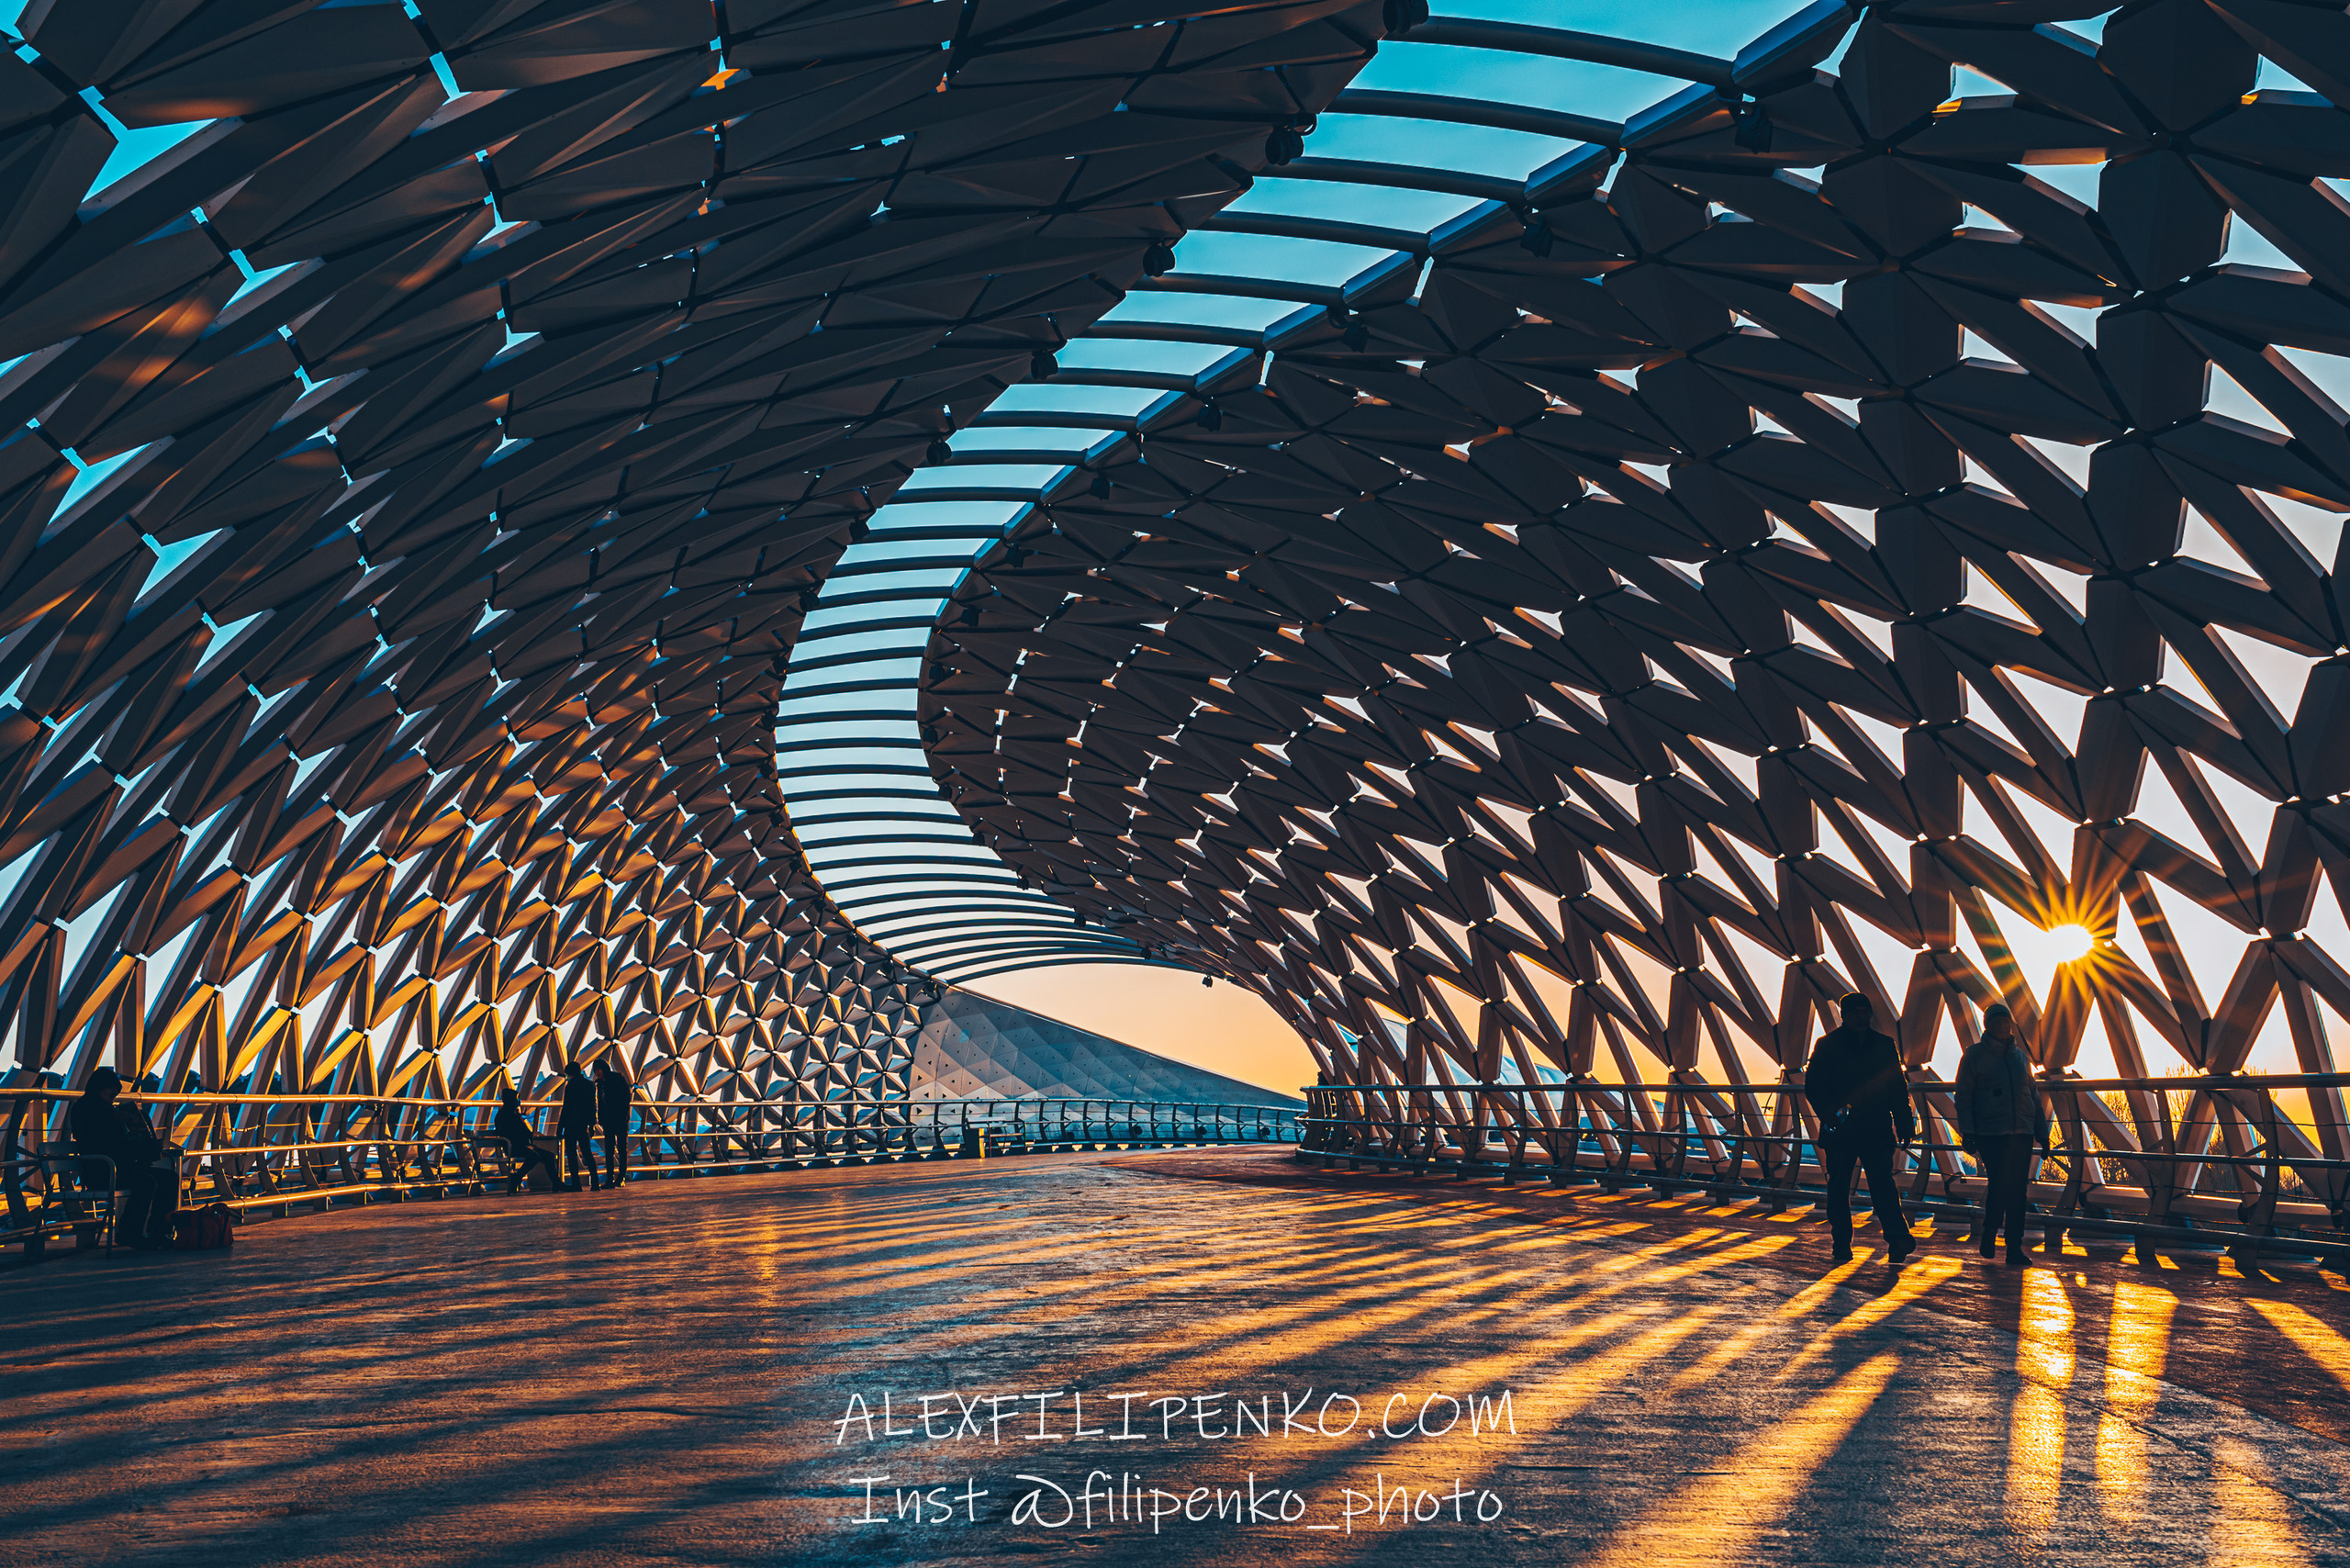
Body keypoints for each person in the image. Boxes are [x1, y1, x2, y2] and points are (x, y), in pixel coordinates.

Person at [1804, 992, 1918, 1265]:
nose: (1862, 1017)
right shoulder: (1841, 1045)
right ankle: (1861, 1240)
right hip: (1853, 1127)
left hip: (1863, 1128)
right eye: (1856, 1012)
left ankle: (1889, 1237)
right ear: (1844, 1015)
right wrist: (1831, 1115)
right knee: (1855, 1186)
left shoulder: (1835, 1044)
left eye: (1865, 1012)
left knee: (1869, 1185)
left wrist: (1903, 1122)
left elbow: (1896, 1088)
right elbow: (1814, 1086)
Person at [1954, 1002, 2046, 1265]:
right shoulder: (1974, 1056)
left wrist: (2041, 1132)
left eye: (2006, 1022)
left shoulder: (2021, 1058)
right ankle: (1992, 1234)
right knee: (2001, 1184)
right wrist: (1968, 1131)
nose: (2003, 1027)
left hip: (2021, 1133)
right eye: (1997, 1023)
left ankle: (2011, 1246)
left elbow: (2033, 1096)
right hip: (1991, 1132)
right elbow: (1964, 1096)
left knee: (2017, 1190)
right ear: (1988, 1026)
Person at [67, 1068, 179, 1249]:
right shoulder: (85, 1110)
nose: (114, 1095)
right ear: (99, 1087)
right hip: (101, 1170)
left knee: (169, 1178)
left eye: (116, 1092)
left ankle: (159, 1229)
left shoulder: (108, 1111)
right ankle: (129, 1233)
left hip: (119, 1167)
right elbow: (98, 1141)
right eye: (111, 1090)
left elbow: (117, 1143)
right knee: (146, 1182)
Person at [492, 1087, 560, 1193]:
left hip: (521, 1146)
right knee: (536, 1156)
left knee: (548, 1156)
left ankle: (556, 1183)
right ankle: (518, 1177)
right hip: (515, 1147)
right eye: (517, 1099)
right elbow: (515, 1133)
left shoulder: (509, 1114)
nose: (519, 1102)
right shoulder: (507, 1115)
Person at [558, 1061, 598, 1191]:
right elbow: (592, 1107)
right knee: (587, 1153)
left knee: (571, 1154)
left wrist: (560, 1127)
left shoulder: (570, 1086)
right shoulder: (590, 1085)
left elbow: (566, 1108)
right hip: (583, 1124)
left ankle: (576, 1183)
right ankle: (595, 1182)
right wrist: (592, 1125)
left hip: (571, 1124)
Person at [596, 1058, 633, 1188]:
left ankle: (621, 1177)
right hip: (608, 1121)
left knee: (622, 1149)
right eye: (595, 1070)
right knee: (609, 1150)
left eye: (598, 1070)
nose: (596, 1073)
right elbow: (600, 1102)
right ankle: (610, 1179)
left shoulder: (617, 1079)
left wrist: (622, 1115)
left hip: (620, 1120)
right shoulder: (599, 1084)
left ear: (604, 1069)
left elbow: (626, 1097)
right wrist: (601, 1119)